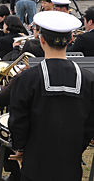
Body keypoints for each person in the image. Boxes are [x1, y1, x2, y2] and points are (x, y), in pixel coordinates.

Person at [9, 11, 94, 181]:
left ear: (41, 40)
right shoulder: (88, 79)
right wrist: (77, 147)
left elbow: (18, 119)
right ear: (71, 40)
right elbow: (89, 123)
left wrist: (20, 147)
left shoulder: (27, 78)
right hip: (71, 163)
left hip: (35, 163)